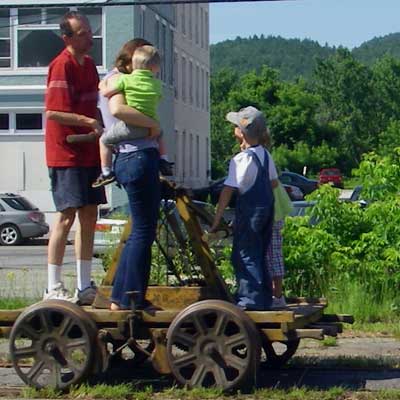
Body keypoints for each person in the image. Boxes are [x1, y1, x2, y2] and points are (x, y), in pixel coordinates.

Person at [44, 11, 106, 304]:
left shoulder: (90, 65)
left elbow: (93, 104)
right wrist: (89, 122)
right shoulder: (61, 65)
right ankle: (53, 285)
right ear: (67, 38)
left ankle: (84, 286)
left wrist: (97, 122)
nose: (89, 37)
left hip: (88, 150)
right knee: (66, 216)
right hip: (65, 152)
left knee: (90, 214)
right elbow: (53, 112)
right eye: (82, 33)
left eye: (89, 31)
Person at [97, 39, 162, 311]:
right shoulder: (121, 80)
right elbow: (117, 110)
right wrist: (153, 126)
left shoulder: (123, 81)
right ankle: (129, 298)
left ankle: (121, 297)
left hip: (132, 157)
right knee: (143, 232)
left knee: (140, 230)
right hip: (135, 155)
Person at [211, 106, 279, 310]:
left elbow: (228, 190)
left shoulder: (241, 159)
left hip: (250, 213)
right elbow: (274, 182)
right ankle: (264, 298)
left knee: (244, 254)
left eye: (235, 126)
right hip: (267, 209)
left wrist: (217, 217)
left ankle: (250, 300)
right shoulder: (265, 155)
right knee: (259, 253)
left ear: (242, 132)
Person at [93, 44, 172, 188]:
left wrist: (101, 85)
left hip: (130, 127)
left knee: (104, 140)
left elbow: (107, 95)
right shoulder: (157, 84)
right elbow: (157, 98)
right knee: (160, 133)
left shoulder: (124, 80)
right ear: (155, 68)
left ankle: (106, 172)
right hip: (151, 128)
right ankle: (164, 160)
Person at [260, 131, 293, 309]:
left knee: (272, 254)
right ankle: (276, 294)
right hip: (275, 211)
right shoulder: (266, 157)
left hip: (272, 211)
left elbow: (271, 183)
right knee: (273, 254)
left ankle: (277, 295)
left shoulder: (262, 157)